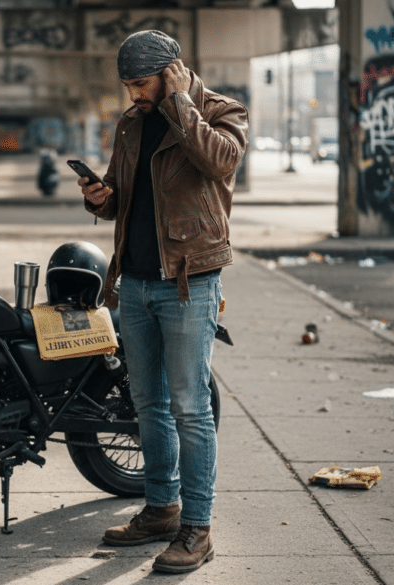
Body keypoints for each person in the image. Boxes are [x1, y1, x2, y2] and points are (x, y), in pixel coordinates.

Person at [78, 30, 248, 574]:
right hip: (138, 282)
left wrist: (178, 103)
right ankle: (161, 509)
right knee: (146, 404)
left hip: (189, 281)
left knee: (191, 408)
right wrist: (101, 200)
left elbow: (220, 163)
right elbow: (126, 197)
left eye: (141, 83)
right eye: (127, 84)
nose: (133, 94)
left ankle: (198, 528)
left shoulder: (220, 111)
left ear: (172, 71)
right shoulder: (132, 123)